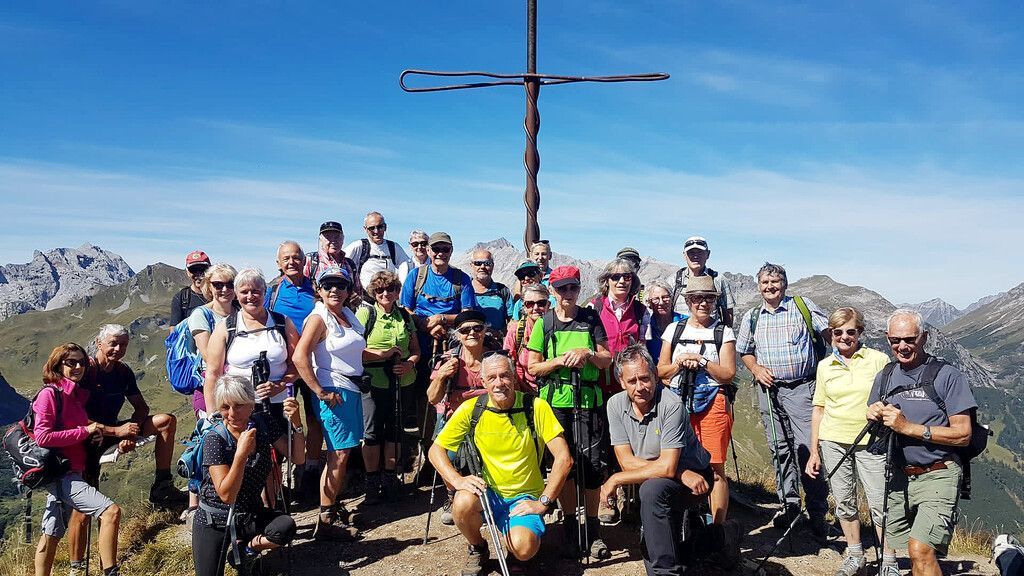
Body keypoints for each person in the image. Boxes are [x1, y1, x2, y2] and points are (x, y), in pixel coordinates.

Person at [429, 353, 573, 575]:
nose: (499, 383)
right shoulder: (472, 409)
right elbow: (435, 451)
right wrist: (457, 481)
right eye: (492, 377)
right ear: (483, 382)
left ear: (514, 378)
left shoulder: (535, 407)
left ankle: (515, 546)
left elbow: (564, 458)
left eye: (505, 376)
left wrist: (544, 501)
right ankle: (478, 547)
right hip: (489, 493)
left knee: (523, 548)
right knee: (462, 502)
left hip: (525, 497)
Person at [603, 344, 740, 576]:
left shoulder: (671, 405)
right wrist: (678, 473)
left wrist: (616, 479)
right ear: (622, 383)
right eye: (632, 381)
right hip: (677, 475)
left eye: (645, 378)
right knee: (666, 548)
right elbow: (627, 462)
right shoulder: (615, 405)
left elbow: (665, 467)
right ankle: (721, 536)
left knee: (651, 492)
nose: (640, 387)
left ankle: (666, 572)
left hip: (696, 477)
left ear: (655, 376)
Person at [867, 309, 978, 576]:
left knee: (920, 550)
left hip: (938, 473)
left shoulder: (948, 376)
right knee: (913, 551)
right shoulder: (885, 376)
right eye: (895, 340)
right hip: (899, 476)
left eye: (910, 339)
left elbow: (963, 434)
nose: (902, 346)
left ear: (924, 337)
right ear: (887, 338)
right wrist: (873, 415)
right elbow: (879, 423)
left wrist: (908, 427)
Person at [735, 262, 830, 536]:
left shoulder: (802, 307)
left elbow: (829, 334)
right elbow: (745, 351)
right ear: (759, 286)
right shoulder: (753, 316)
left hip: (803, 389)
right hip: (769, 391)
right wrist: (756, 369)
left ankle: (817, 513)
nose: (770, 287)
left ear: (785, 284)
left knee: (808, 450)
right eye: (765, 282)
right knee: (780, 449)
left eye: (775, 282)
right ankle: (789, 507)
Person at [526, 265, 613, 559]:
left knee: (591, 467)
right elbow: (533, 366)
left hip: (587, 401)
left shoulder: (590, 318)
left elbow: (606, 359)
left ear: (579, 288)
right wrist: (560, 361)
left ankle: (592, 529)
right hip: (554, 403)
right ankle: (570, 526)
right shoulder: (544, 323)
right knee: (563, 464)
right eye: (562, 288)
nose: (568, 293)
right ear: (553, 290)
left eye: (573, 287)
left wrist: (588, 353)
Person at [805, 307, 895, 576]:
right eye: (838, 332)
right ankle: (856, 556)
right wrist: (814, 451)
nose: (844, 337)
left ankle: (889, 560)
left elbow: (891, 398)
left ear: (860, 333)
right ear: (831, 334)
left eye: (850, 331)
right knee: (844, 501)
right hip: (833, 441)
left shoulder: (878, 360)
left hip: (872, 441)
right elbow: (819, 409)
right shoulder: (824, 366)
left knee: (880, 502)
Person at [192, 374, 304, 576]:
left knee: (285, 526)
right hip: (215, 520)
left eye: (239, 405)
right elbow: (227, 495)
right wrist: (241, 455)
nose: (232, 413)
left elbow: (297, 458)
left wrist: (296, 424)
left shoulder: (263, 423)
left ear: (251, 404)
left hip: (249, 514)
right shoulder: (215, 439)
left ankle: (246, 551)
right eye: (225, 407)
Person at [32, 343, 123, 576]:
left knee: (51, 534)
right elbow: (43, 437)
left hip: (71, 469)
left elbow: (74, 431)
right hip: (62, 472)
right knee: (110, 511)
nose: (78, 367)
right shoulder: (49, 394)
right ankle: (111, 572)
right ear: (57, 365)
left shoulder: (74, 396)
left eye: (82, 362)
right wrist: (85, 431)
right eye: (71, 362)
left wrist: (91, 436)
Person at [292, 266, 367, 541]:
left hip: (350, 389)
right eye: (328, 285)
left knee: (343, 452)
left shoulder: (346, 316)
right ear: (319, 290)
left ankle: (331, 506)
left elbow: (355, 352)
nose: (334, 290)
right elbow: (300, 357)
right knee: (339, 454)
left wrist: (385, 354)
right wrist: (319, 391)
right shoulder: (318, 318)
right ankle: (325, 519)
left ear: (348, 290)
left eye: (340, 285)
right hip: (334, 391)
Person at [656, 276, 737, 524]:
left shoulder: (724, 332)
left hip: (714, 402)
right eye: (697, 298)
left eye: (709, 298)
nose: (703, 303)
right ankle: (681, 521)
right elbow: (661, 371)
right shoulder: (674, 330)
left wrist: (702, 361)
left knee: (715, 467)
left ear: (715, 301)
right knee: (676, 461)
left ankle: (717, 530)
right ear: (689, 301)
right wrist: (680, 364)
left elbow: (728, 374)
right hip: (677, 402)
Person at [203, 268, 300, 428]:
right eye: (244, 292)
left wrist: (280, 385)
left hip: (279, 405)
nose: (250, 296)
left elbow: (297, 364)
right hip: (238, 408)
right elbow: (213, 373)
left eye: (256, 291)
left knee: (283, 443)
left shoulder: (283, 323)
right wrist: (212, 414)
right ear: (236, 294)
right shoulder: (226, 328)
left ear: (264, 292)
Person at [264, 241, 323, 502]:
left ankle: (310, 469)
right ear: (278, 263)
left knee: (314, 416)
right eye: (286, 258)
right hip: (282, 367)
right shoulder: (272, 292)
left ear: (304, 260)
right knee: (282, 417)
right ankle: (279, 477)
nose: (292, 262)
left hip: (313, 364)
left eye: (296, 257)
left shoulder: (316, 288)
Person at [355, 270, 420, 502]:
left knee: (395, 430)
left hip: (402, 381)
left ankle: (390, 478)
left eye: (390, 289)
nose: (385, 293)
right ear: (373, 292)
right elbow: (354, 350)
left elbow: (415, 350)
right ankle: (372, 482)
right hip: (373, 383)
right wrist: (383, 354)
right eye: (380, 290)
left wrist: (409, 364)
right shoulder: (366, 314)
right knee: (372, 432)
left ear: (397, 291)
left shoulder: (404, 316)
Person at [428, 310, 492, 525]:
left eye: (477, 328)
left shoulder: (494, 359)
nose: (472, 333)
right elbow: (432, 398)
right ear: (458, 335)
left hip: (490, 418)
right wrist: (441, 376)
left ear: (485, 331)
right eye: (465, 330)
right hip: (456, 419)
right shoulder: (449, 361)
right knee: (444, 451)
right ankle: (452, 494)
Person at [591, 258, 650, 400]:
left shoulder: (641, 311)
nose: (622, 281)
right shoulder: (593, 308)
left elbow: (643, 348)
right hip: (599, 382)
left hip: (630, 385)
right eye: (616, 277)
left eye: (627, 277)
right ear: (606, 281)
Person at [668, 237, 735, 327]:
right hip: (680, 334)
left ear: (708, 254)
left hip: (711, 333)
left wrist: (725, 333)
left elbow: (728, 313)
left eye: (699, 252)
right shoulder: (673, 281)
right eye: (691, 252)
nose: (695, 256)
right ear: (684, 255)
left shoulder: (718, 279)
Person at [503, 284, 551, 394]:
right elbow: (508, 362)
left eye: (541, 303)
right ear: (524, 307)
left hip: (554, 390)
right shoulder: (516, 331)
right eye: (530, 304)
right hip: (525, 390)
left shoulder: (557, 328)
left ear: (548, 305)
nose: (535, 308)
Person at [345, 211, 410, 291]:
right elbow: (341, 263)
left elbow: (407, 267)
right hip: (364, 296)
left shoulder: (394, 247)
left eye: (380, 227)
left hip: (388, 295)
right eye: (371, 228)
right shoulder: (358, 246)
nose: (376, 231)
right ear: (365, 229)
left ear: (385, 227)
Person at [305, 220, 362, 303]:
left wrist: (355, 298)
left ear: (343, 239)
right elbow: (300, 289)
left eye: (337, 237)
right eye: (328, 237)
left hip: (344, 309)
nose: (333, 241)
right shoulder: (310, 260)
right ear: (320, 240)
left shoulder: (350, 264)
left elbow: (358, 292)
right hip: (317, 309)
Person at [469, 248, 513, 334]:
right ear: (471, 265)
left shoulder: (502, 290)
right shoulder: (464, 290)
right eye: (478, 263)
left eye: (487, 263)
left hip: (496, 340)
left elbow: (512, 320)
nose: (482, 267)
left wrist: (500, 334)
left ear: (493, 265)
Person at [169, 250, 211, 329]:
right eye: (193, 270)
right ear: (187, 272)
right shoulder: (180, 298)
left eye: (202, 269)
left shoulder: (220, 294)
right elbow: (174, 331)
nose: (198, 274)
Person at [645, 280, 684, 360]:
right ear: (649, 303)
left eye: (665, 297)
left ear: (672, 299)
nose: (661, 302)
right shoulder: (646, 326)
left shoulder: (685, 322)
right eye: (656, 299)